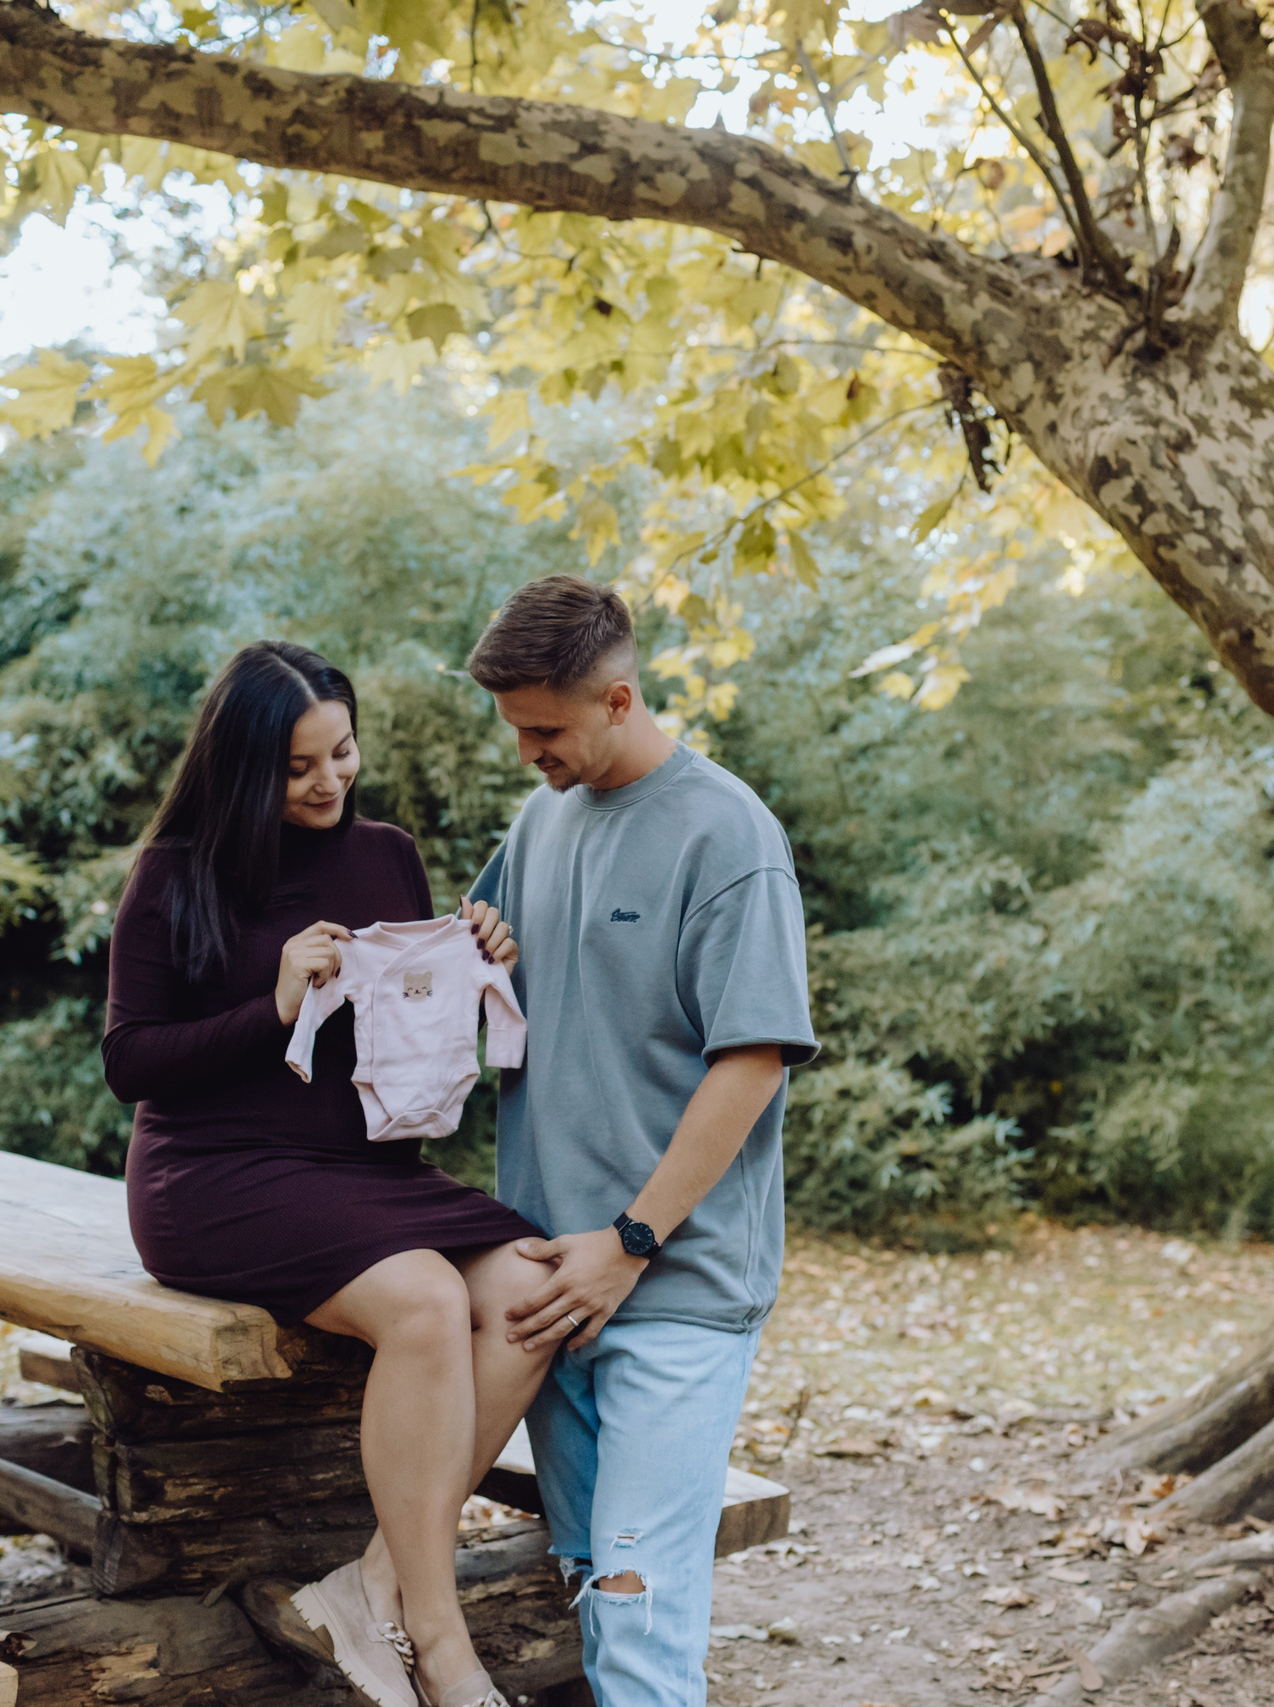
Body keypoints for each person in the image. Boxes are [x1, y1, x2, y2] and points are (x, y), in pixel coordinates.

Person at [103, 640, 549, 1707]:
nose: (329, 780)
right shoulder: (174, 875)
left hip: (368, 1168)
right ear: (242, 764)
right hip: (213, 1177)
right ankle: (439, 1645)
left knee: (535, 1290)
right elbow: (131, 1062)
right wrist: (274, 1007)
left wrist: (478, 950)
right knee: (429, 1302)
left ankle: (376, 1584)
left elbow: (411, 1017)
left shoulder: (386, 855)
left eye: (342, 752)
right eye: (299, 766)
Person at [463, 578, 818, 1707]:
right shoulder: (540, 818)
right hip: (551, 1283)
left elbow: (751, 1063)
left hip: (669, 1281)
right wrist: (475, 955)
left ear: (618, 699)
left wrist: (630, 1240)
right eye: (515, 727)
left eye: (545, 728)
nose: (526, 750)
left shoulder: (727, 834)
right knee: (586, 1586)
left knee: (640, 1609)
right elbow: (489, 1011)